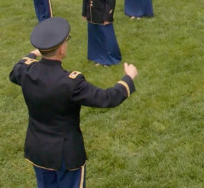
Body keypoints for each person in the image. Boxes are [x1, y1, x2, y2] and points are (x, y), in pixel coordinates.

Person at [10, 17, 138, 188]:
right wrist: (128, 79)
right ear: (62, 49)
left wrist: (35, 52)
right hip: (66, 155)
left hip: (38, 149)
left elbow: (17, 68)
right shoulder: (70, 83)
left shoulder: (26, 72)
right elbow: (107, 98)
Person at [82, 0, 121, 66]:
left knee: (106, 38)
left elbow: (110, 3)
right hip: (91, 15)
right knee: (95, 37)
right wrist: (84, 12)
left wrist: (108, 18)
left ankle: (109, 59)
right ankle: (97, 57)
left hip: (102, 16)